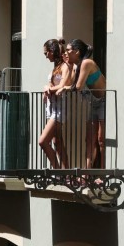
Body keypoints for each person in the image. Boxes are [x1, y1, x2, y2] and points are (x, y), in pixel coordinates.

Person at [57, 39, 107, 169]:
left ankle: (102, 172)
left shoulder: (86, 63)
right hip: (93, 103)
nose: (66, 53)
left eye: (68, 50)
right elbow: (71, 82)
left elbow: (77, 87)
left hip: (103, 103)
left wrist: (64, 89)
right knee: (90, 140)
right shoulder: (77, 65)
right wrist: (68, 66)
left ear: (77, 51)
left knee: (101, 140)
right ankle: (87, 173)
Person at [39, 38, 73, 169]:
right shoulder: (56, 67)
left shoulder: (65, 67)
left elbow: (63, 85)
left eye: (46, 53)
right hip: (52, 107)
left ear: (52, 51)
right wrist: (47, 89)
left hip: (60, 108)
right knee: (57, 141)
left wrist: (48, 89)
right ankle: (66, 173)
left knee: (42, 141)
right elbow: (54, 84)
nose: (46, 56)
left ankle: (57, 170)